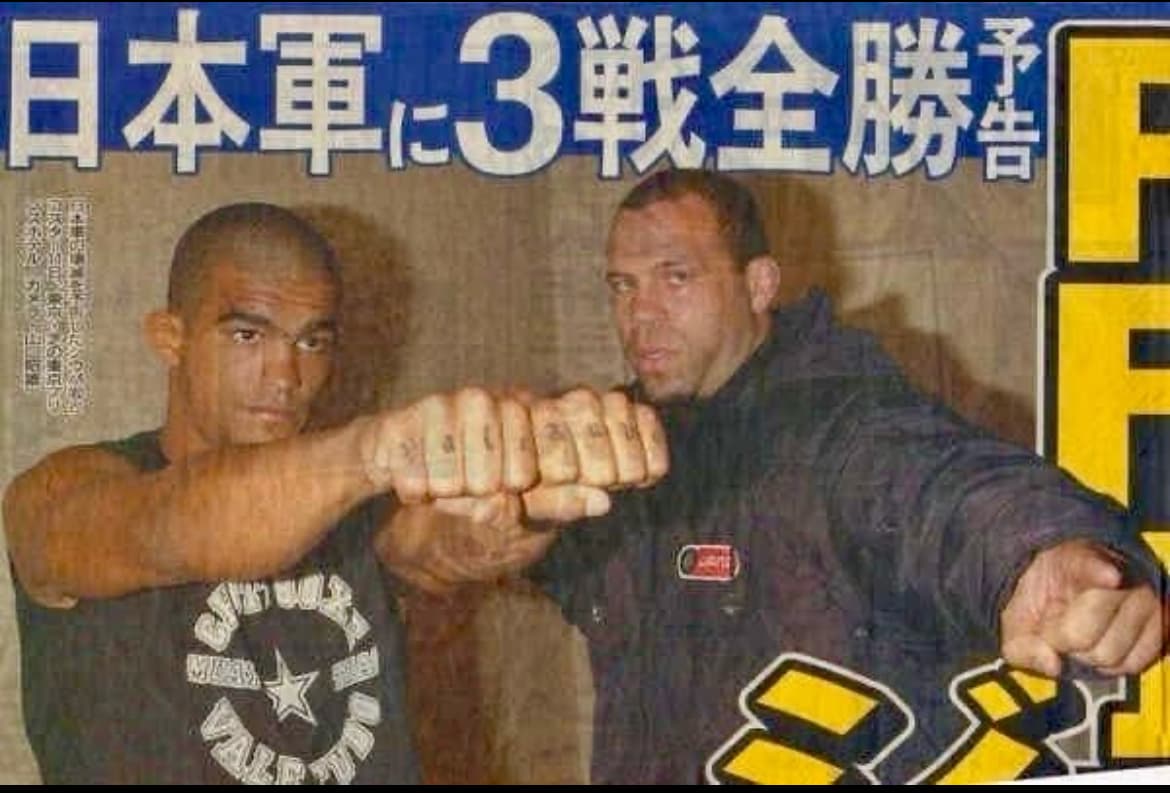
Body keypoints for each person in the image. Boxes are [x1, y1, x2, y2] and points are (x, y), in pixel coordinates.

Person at [392, 170, 1169, 784]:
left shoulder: (843, 422)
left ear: (759, 284)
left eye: (675, 277)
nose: (641, 315)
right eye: (622, 285)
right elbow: (429, 547)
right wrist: (498, 512)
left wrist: (1038, 552)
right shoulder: (617, 442)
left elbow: (945, 488)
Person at [2, 202, 667, 784]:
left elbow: (441, 547)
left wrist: (522, 502)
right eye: (248, 334)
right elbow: (168, 525)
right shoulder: (62, 493)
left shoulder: (348, 503)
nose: (286, 375)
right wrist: (378, 447)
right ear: (170, 338)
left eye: (311, 341)